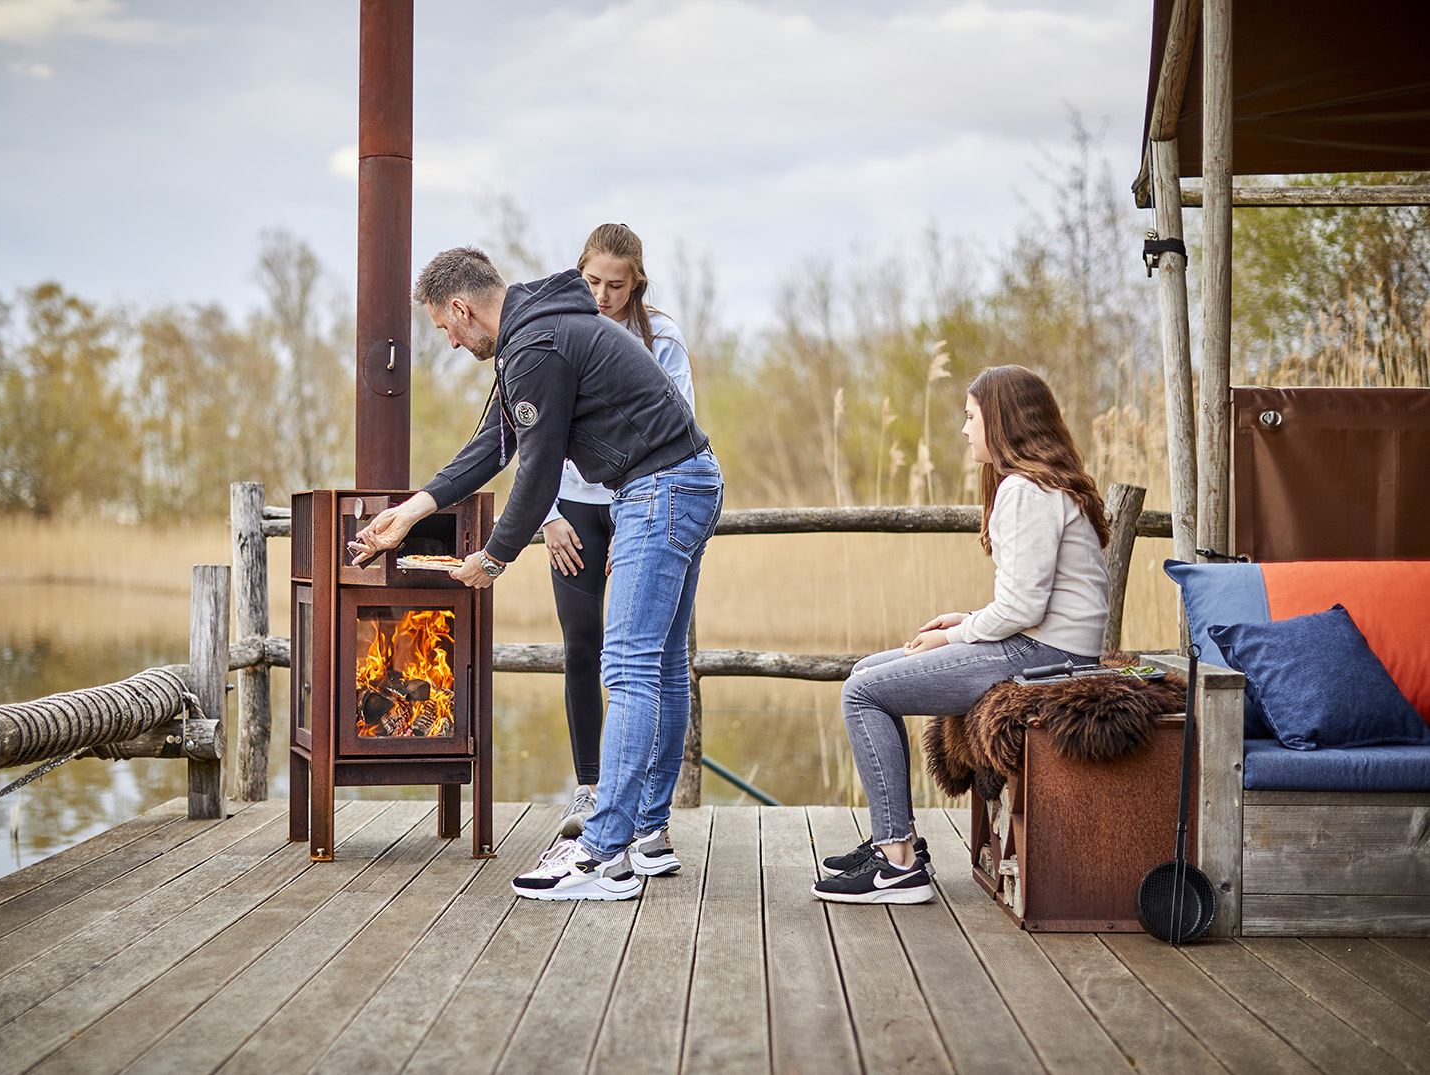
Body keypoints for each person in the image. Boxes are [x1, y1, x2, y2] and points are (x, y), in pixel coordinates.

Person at [352, 247, 722, 902]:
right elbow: (495, 444)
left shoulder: (535, 345)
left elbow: (539, 468)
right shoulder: (542, 330)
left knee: (628, 667)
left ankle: (602, 856)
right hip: (686, 478)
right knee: (661, 666)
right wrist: (410, 510)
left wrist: (494, 556)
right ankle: (647, 835)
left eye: (443, 327)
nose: (449, 341)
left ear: (461, 308)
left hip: (659, 489)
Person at [812, 365, 1110, 905]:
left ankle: (896, 864)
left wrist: (955, 638)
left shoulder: (1025, 490)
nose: (964, 429)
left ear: (1002, 420)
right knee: (865, 672)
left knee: (862, 693)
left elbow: (1023, 607)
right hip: (1049, 646)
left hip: (1046, 656)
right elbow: (1032, 602)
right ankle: (897, 841)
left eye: (971, 417)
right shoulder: (1044, 485)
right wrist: (967, 620)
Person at [544, 224, 696, 839]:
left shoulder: (662, 339)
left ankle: (644, 809)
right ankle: (588, 790)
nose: (602, 296)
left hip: (643, 502)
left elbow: (678, 431)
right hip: (574, 510)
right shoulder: (558, 333)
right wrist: (549, 517)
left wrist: (639, 529)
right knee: (582, 643)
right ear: (578, 273)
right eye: (592, 282)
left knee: (647, 657)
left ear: (636, 284)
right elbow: (535, 433)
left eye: (615, 285)